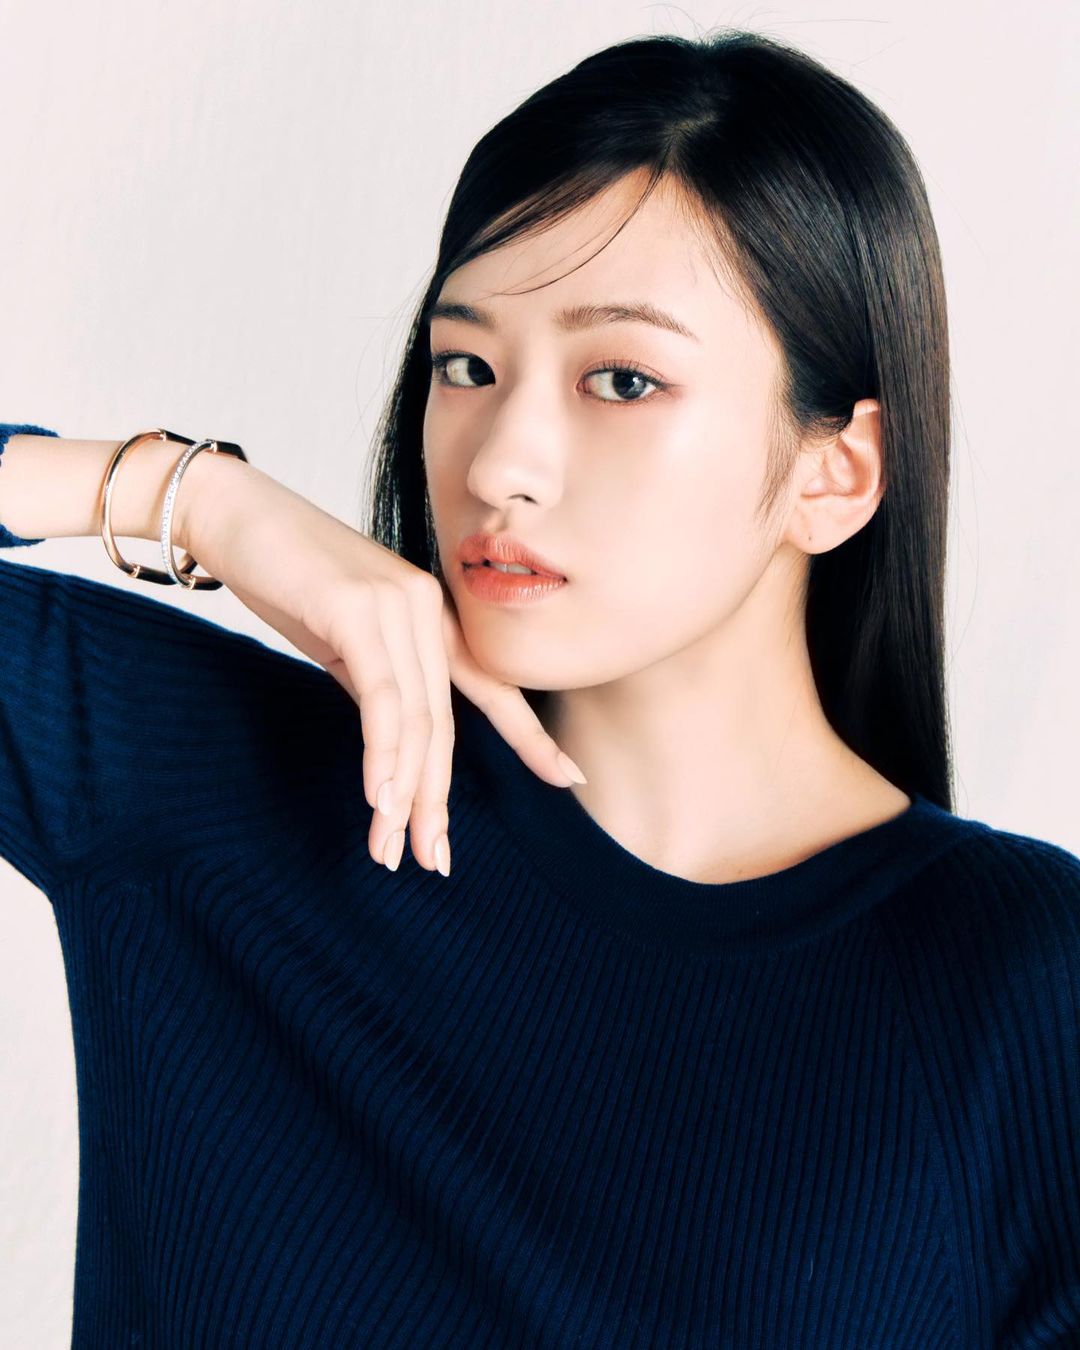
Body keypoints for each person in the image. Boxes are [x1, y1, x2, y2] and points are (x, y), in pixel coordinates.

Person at [2, 27, 1078, 1349]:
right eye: (466, 366)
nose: (499, 462)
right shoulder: (208, 792)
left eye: (621, 379)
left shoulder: (1017, 984)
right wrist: (201, 501)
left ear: (835, 472)